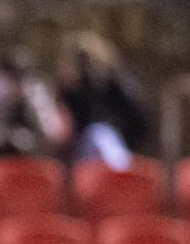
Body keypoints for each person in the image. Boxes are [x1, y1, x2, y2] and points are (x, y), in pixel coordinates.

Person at [56, 31, 148, 169]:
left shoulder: (116, 86)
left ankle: (117, 173)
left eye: (90, 60)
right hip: (79, 156)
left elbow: (139, 123)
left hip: (117, 149)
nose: (86, 66)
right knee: (96, 133)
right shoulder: (68, 91)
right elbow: (64, 133)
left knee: (101, 133)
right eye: (81, 60)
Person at [0, 45, 67, 157]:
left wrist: (35, 107)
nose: (17, 84)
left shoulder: (37, 95)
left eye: (22, 77)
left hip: (32, 161)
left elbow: (54, 135)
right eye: (12, 77)